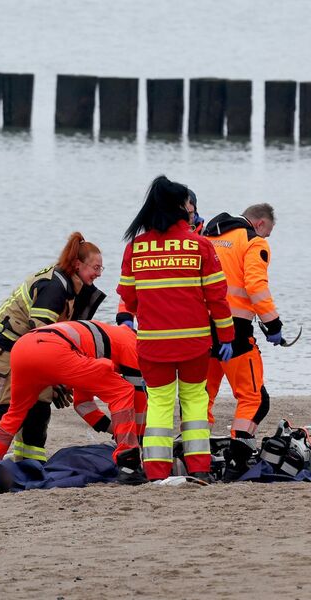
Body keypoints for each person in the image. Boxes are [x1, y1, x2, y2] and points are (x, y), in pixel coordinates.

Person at [117, 175, 235, 481]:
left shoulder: (136, 248)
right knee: (195, 401)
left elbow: (128, 298)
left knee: (158, 403)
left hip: (153, 345)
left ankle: (157, 472)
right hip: (195, 344)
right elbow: (218, 299)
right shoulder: (201, 246)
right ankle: (199, 469)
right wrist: (226, 337)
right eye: (186, 202)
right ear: (179, 207)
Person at [0, 232, 106, 464]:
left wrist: (58, 380)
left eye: (102, 269)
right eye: (96, 267)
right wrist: (58, 380)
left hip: (30, 350)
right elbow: (42, 340)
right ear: (77, 264)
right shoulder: (54, 288)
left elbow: (59, 340)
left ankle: (30, 462)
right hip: (6, 349)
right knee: (0, 406)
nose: (99, 274)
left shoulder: (74, 285)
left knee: (39, 407)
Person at [0, 320, 147, 484]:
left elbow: (83, 404)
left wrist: (114, 430)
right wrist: (138, 442)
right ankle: (128, 464)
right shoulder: (133, 344)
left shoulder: (102, 342)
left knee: (15, 413)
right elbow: (137, 403)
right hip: (53, 349)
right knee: (123, 391)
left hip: (23, 348)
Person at [203, 203, 282, 480]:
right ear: (259, 224)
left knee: (202, 397)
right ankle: (237, 461)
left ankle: (196, 456)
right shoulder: (252, 241)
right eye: (267, 233)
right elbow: (256, 285)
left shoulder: (207, 234)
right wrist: (273, 324)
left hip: (201, 329)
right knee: (255, 399)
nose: (266, 239)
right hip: (235, 331)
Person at [117, 187, 203, 329]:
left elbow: (216, 291)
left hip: (196, 325)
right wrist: (125, 316)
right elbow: (130, 288)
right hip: (156, 326)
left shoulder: (205, 241)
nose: (186, 218)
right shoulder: (145, 245)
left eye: (190, 213)